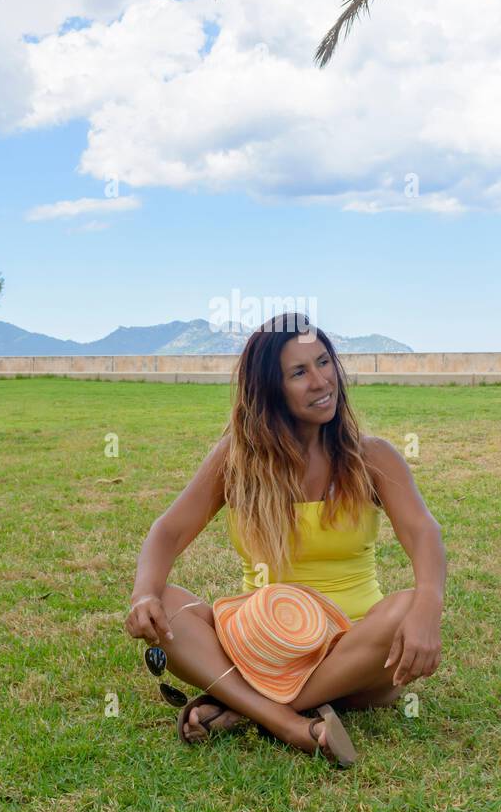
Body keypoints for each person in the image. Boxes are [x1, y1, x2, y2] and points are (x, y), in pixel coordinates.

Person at [124, 315, 446, 766]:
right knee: (168, 602)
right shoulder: (237, 460)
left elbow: (422, 531)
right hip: (259, 647)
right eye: (299, 372)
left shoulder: (372, 456)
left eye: (323, 362)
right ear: (271, 390)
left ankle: (245, 707)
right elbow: (169, 530)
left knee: (405, 607)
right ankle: (290, 723)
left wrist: (428, 606)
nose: (321, 381)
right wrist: (143, 595)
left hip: (355, 654)